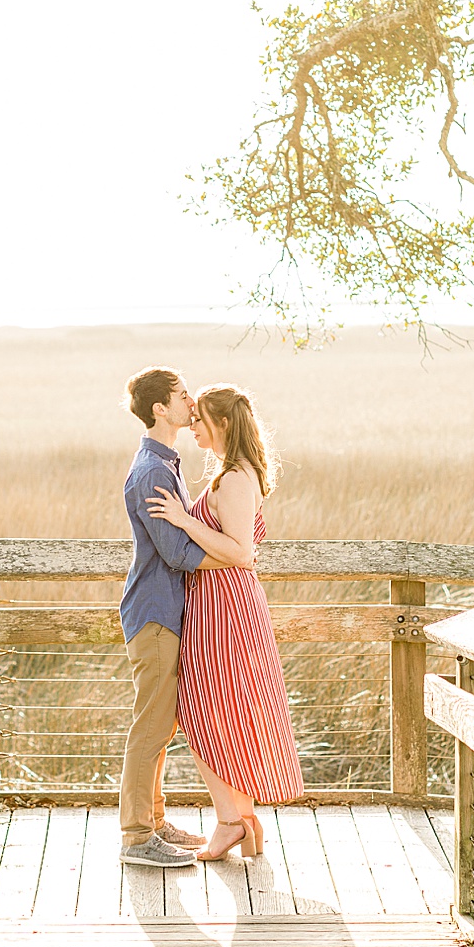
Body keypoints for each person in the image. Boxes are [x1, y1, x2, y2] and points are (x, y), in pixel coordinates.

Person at [146, 383, 304, 861]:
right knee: (227, 712)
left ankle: (229, 821)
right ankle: (245, 820)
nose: (193, 425)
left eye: (200, 420)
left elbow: (242, 553)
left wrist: (183, 519)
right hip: (219, 605)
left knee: (202, 713)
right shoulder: (231, 472)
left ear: (224, 424)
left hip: (224, 609)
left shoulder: (235, 478)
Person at [117, 366, 226, 867]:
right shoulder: (154, 471)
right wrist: (235, 556)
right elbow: (176, 552)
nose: (190, 403)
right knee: (151, 725)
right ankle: (137, 837)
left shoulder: (166, 463)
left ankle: (154, 822)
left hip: (165, 611)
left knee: (160, 722)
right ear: (161, 408)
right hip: (156, 612)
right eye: (182, 396)